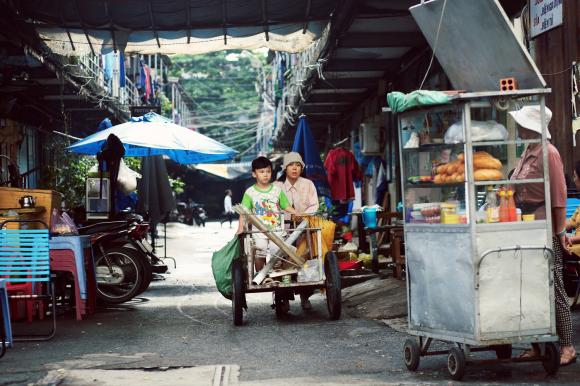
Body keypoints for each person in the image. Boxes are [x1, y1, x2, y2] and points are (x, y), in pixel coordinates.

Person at [509, 105, 576, 365]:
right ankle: (536, 345)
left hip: (543, 226)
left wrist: (559, 232)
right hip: (523, 224)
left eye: (522, 124)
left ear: (532, 127)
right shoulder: (527, 151)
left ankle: (567, 347)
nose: (519, 128)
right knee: (527, 286)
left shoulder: (550, 153)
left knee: (554, 285)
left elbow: (559, 198)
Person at [237, 156, 296, 274]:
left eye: (268, 171)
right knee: (260, 251)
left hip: (277, 229)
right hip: (258, 231)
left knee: (277, 252)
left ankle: (277, 274)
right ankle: (261, 276)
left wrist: (298, 213)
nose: (265, 175)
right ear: (254, 174)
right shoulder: (250, 192)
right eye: (262, 172)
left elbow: (286, 206)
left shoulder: (277, 190)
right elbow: (243, 211)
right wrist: (240, 227)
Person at [275, 152, 319, 310]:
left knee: (304, 261)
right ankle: (283, 298)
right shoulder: (277, 186)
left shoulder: (308, 184)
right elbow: (272, 207)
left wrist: (304, 216)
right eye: (291, 165)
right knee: (283, 263)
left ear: (302, 168)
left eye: (298, 165)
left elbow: (314, 205)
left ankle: (305, 296)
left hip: (304, 230)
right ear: (285, 168)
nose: (295, 168)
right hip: (282, 231)